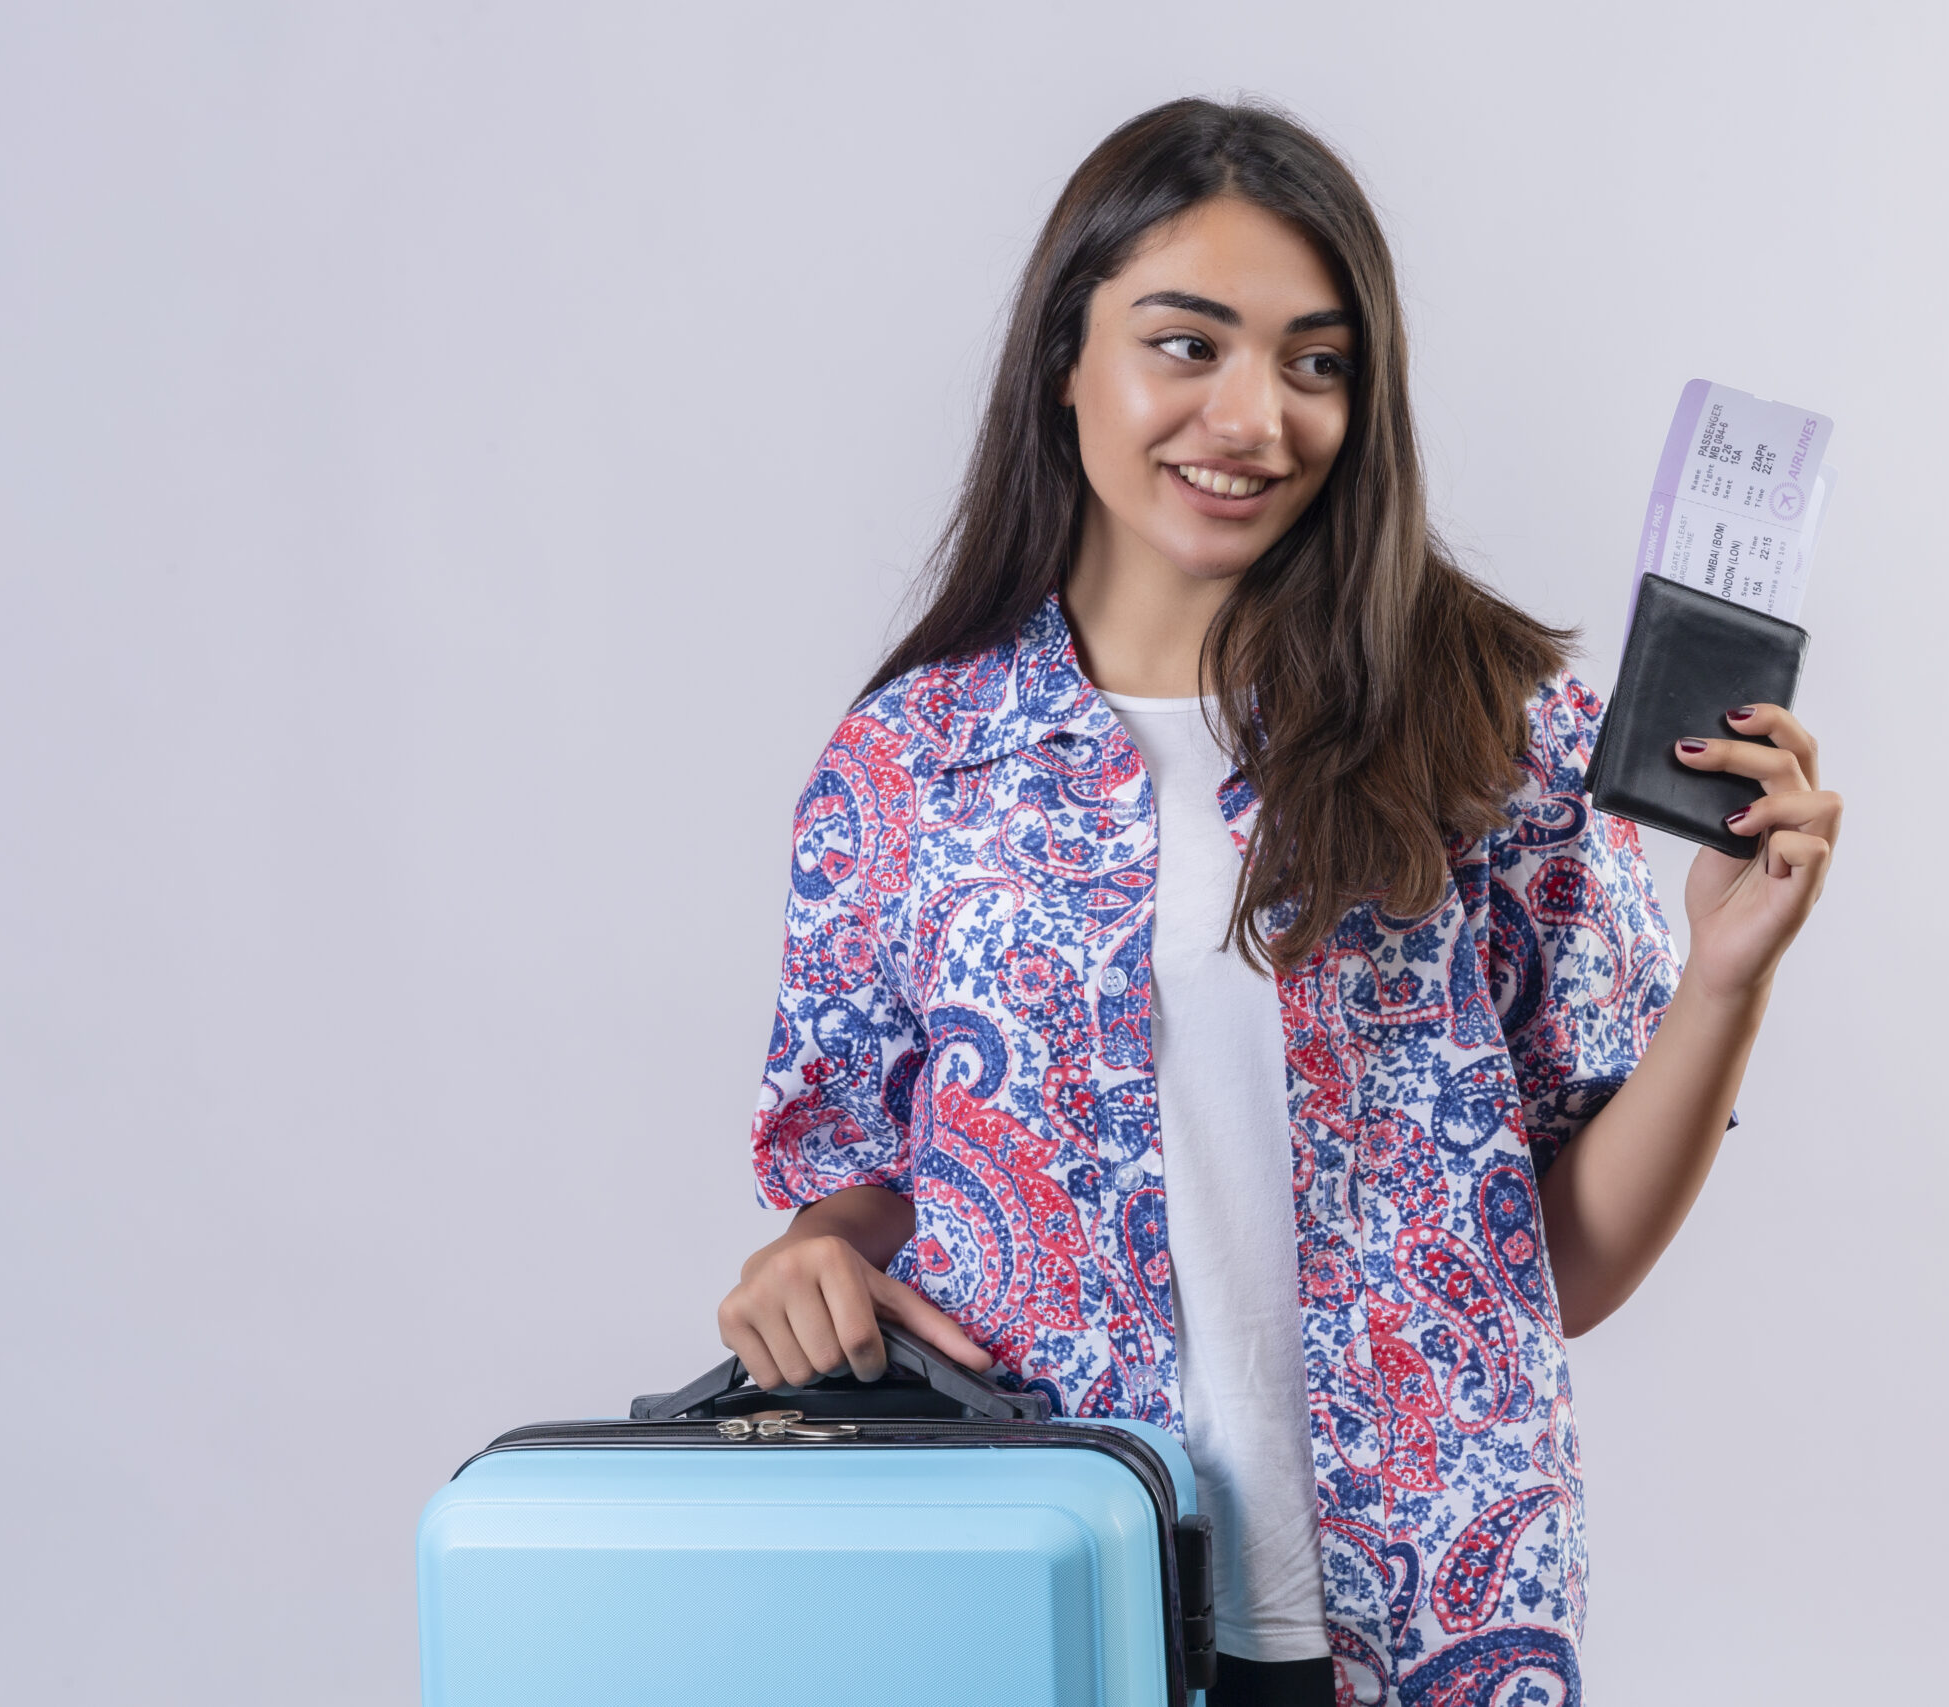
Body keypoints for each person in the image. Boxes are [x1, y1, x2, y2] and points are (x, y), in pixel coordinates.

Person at [716, 97, 1842, 1707]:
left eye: (1317, 363)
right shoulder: (907, 768)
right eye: (1189, 344)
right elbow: (867, 1188)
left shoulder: (1493, 736)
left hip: (1434, 1622)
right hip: (1057, 1606)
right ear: (1066, 355)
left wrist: (1727, 978)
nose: (1254, 418)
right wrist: (805, 1260)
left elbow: (1559, 1269)